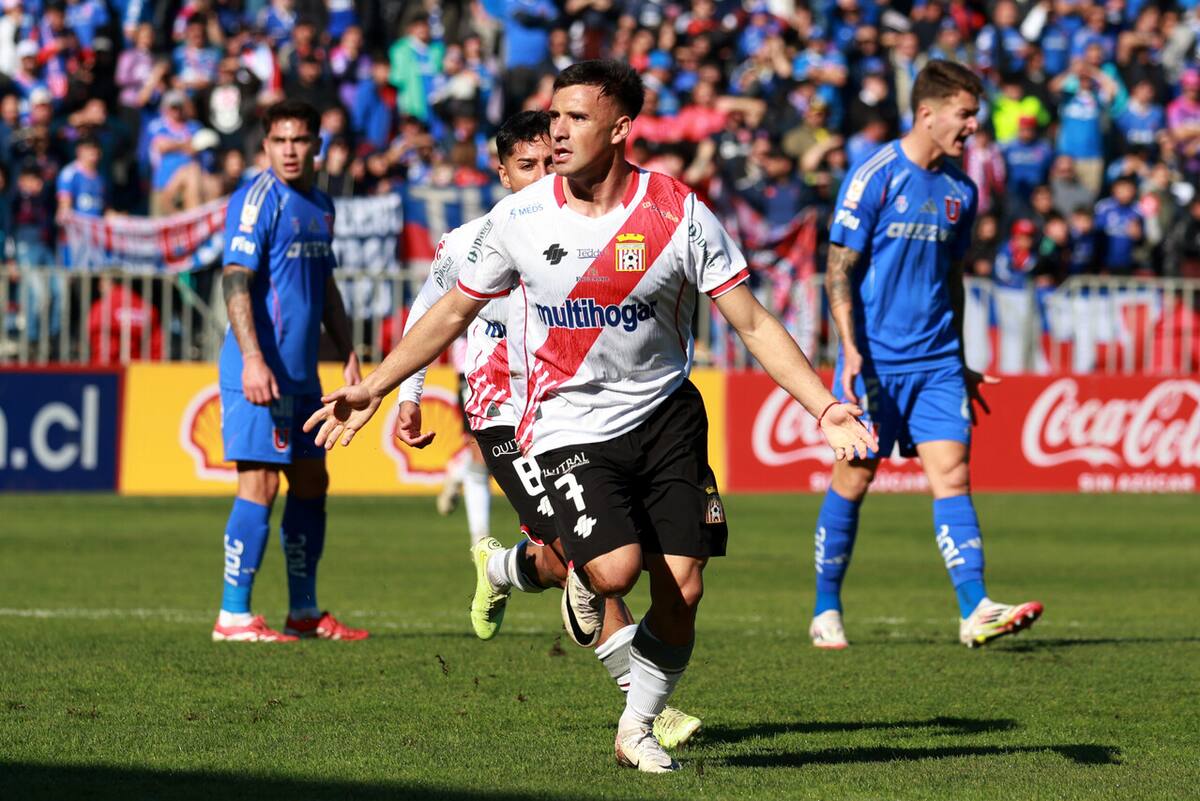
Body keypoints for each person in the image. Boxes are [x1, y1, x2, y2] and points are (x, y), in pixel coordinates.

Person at [304, 59, 875, 773]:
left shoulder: (678, 212)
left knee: (684, 591)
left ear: (621, 128)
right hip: (568, 424)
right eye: (553, 115)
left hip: (667, 418)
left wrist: (824, 405)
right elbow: (451, 307)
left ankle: (635, 726)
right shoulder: (517, 217)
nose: (558, 130)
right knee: (612, 570)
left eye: (575, 117)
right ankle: (564, 587)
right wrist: (383, 384)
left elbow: (754, 324)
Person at [392, 109, 704, 751]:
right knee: (584, 561)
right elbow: (431, 312)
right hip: (500, 410)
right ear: (502, 172)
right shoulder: (473, 240)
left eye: (549, 161)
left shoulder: (577, 232)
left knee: (580, 558)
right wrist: (408, 393)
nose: (541, 173)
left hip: (564, 411)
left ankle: (503, 568)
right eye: (525, 165)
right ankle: (643, 707)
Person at [810, 60, 1044, 652]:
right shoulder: (875, 175)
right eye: (965, 116)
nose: (972, 128)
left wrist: (960, 358)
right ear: (928, 113)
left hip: (938, 362)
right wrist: (850, 350)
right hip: (876, 362)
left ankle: (975, 609)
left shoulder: (961, 190)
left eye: (975, 117)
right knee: (856, 477)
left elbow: (954, 278)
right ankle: (826, 606)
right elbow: (838, 269)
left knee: (954, 475)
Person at [211, 99, 366, 644]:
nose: (290, 150)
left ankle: (303, 611)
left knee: (310, 481)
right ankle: (233, 616)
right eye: (280, 141)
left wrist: (348, 349)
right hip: (260, 371)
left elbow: (325, 287)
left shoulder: (320, 204)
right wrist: (253, 358)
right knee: (258, 482)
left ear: (317, 146)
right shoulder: (257, 199)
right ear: (265, 146)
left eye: (300, 140)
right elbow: (235, 279)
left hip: (303, 376)